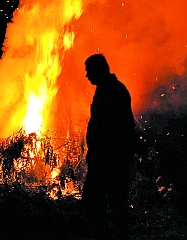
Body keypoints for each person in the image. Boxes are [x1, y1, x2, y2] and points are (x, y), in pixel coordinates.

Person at [81, 54, 136, 240]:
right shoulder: (107, 89)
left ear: (99, 69)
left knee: (107, 203)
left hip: (110, 159)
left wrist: (99, 153)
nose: (87, 75)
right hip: (107, 158)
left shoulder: (113, 92)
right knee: (107, 204)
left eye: (89, 71)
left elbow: (117, 127)